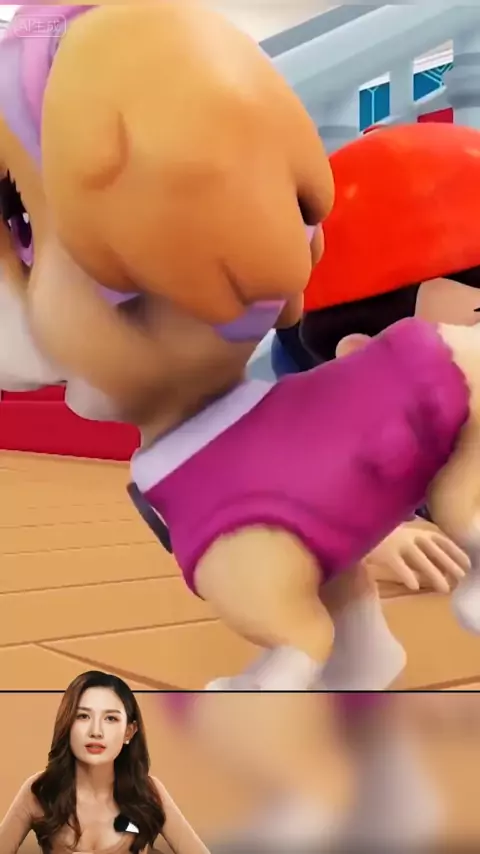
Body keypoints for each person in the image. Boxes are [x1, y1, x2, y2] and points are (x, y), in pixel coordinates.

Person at [0, 671, 209, 854]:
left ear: (129, 732)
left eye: (111, 719)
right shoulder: (40, 790)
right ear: (67, 724)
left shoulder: (148, 791)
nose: (96, 731)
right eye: (83, 716)